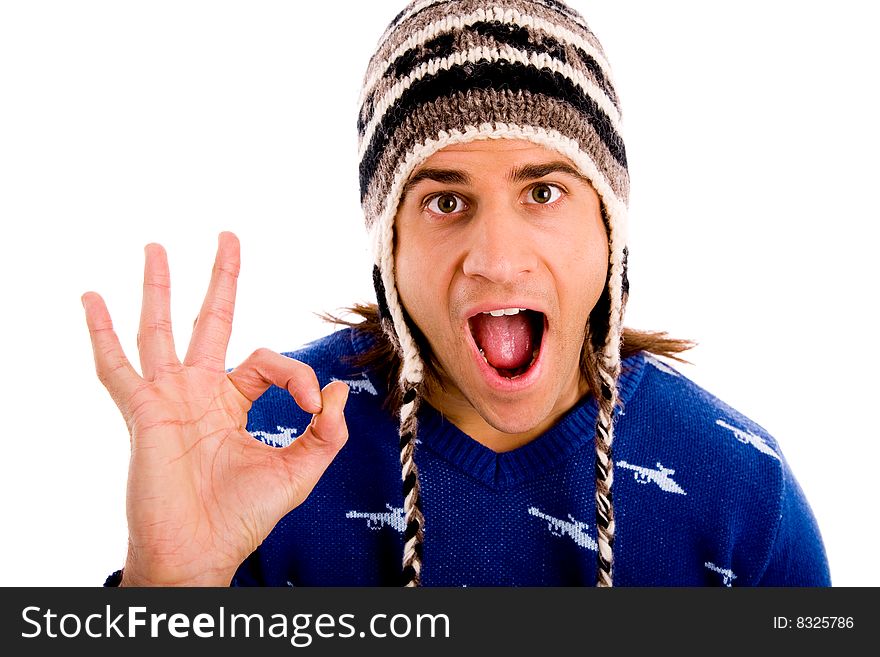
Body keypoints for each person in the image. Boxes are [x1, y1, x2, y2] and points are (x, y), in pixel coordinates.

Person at [82, 0, 830, 587]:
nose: (497, 260)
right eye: (445, 201)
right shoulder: (261, 451)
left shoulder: (739, 487)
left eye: (543, 190)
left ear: (610, 229)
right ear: (389, 250)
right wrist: (172, 583)